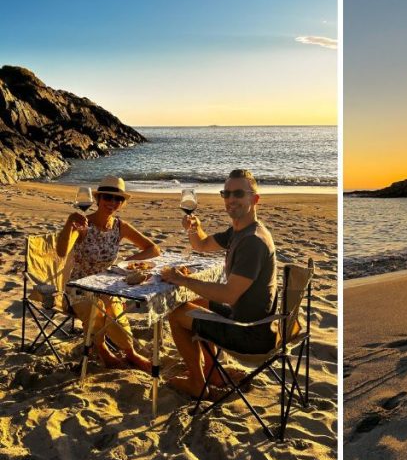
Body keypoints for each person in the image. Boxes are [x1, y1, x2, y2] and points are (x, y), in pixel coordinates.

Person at [162, 169, 277, 398]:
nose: (231, 199)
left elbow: (228, 295)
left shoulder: (252, 241)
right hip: (253, 321)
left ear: (254, 199)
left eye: (238, 194)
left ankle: (197, 381)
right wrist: (194, 228)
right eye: (226, 193)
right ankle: (211, 371)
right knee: (194, 301)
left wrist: (182, 279)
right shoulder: (239, 231)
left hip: (250, 334)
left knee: (176, 313)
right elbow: (202, 245)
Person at [57, 176, 159, 371]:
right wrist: (70, 222)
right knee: (97, 306)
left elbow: (153, 249)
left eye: (117, 199)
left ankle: (130, 353)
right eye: (108, 197)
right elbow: (61, 252)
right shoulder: (83, 225)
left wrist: (126, 263)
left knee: (114, 309)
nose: (112, 203)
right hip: (79, 286)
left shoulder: (120, 227)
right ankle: (103, 351)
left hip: (107, 284)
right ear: (98, 199)